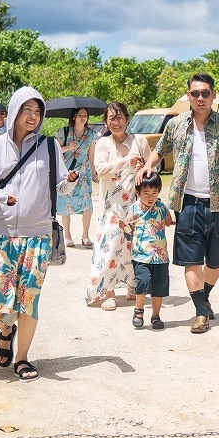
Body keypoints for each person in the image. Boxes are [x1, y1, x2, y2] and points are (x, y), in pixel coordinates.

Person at [0, 86, 79, 382]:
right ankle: (5, 332)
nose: (33, 116)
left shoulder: (49, 146)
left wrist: (69, 181)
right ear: (14, 112)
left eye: (38, 111)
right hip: (3, 233)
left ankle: (21, 358)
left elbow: (61, 186)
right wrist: (1, 196)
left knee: (28, 298)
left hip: (38, 235)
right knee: (0, 293)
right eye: (27, 110)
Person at [140, 72, 219, 335]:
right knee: (190, 260)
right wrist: (147, 164)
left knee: (214, 260)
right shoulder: (176, 125)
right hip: (187, 203)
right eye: (195, 93)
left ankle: (205, 296)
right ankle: (200, 311)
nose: (200, 98)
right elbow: (160, 149)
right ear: (188, 96)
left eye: (205, 93)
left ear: (213, 95)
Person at [85, 102, 150, 310]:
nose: (116, 121)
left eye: (120, 116)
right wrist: (127, 162)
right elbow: (100, 170)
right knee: (110, 248)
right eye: (111, 118)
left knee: (134, 247)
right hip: (111, 206)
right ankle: (108, 292)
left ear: (127, 119)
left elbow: (151, 168)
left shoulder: (139, 141)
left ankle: (133, 286)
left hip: (135, 205)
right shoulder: (103, 144)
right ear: (105, 121)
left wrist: (142, 168)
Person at [121, 170, 174, 330]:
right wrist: (124, 226)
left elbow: (168, 222)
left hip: (161, 257)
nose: (150, 196)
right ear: (137, 192)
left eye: (154, 192)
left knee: (159, 288)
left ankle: (156, 316)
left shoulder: (161, 207)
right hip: (141, 257)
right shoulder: (134, 209)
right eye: (146, 193)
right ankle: (139, 310)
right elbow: (129, 231)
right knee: (143, 283)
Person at [57, 107, 99, 247]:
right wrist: (68, 147)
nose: (83, 117)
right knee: (66, 202)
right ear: (74, 117)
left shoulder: (91, 134)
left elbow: (91, 155)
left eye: (85, 115)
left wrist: (93, 171)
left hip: (84, 174)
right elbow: (56, 151)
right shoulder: (64, 132)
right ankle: (67, 236)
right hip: (67, 174)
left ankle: (85, 235)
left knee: (87, 203)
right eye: (80, 114)